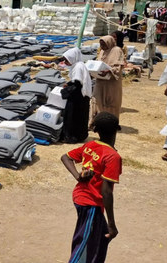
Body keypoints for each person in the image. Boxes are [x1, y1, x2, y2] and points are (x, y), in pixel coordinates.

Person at [61, 112, 122, 263]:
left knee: (102, 236)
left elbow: (65, 157)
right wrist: (112, 223)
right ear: (116, 130)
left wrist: (77, 176)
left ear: (96, 131)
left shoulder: (90, 146)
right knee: (82, 245)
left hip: (81, 196)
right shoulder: (112, 157)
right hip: (90, 204)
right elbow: (106, 192)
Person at [61, 47, 92, 143]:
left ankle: (72, 137)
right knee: (81, 117)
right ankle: (80, 135)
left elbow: (77, 84)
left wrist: (65, 92)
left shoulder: (78, 67)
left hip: (78, 98)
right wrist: (69, 84)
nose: (65, 62)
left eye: (66, 60)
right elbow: (77, 81)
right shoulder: (79, 65)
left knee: (73, 117)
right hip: (82, 97)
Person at [92, 35, 125, 122]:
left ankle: (110, 122)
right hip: (100, 81)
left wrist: (109, 71)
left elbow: (119, 66)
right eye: (100, 44)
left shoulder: (117, 50)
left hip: (111, 83)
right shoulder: (102, 51)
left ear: (109, 43)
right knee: (97, 100)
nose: (101, 47)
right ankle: (97, 121)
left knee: (111, 102)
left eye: (103, 44)